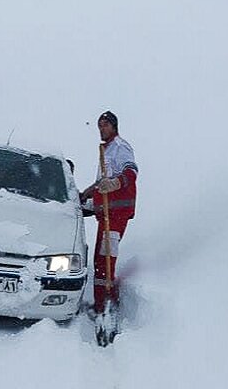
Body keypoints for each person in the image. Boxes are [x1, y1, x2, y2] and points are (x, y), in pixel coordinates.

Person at [80, 111, 138, 314]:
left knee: (106, 260)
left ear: (114, 126)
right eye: (99, 126)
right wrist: (88, 193)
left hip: (117, 214)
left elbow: (131, 172)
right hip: (105, 215)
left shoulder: (120, 147)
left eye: (105, 125)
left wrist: (114, 183)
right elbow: (101, 182)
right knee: (100, 259)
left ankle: (105, 305)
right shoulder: (106, 151)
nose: (101, 129)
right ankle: (100, 303)